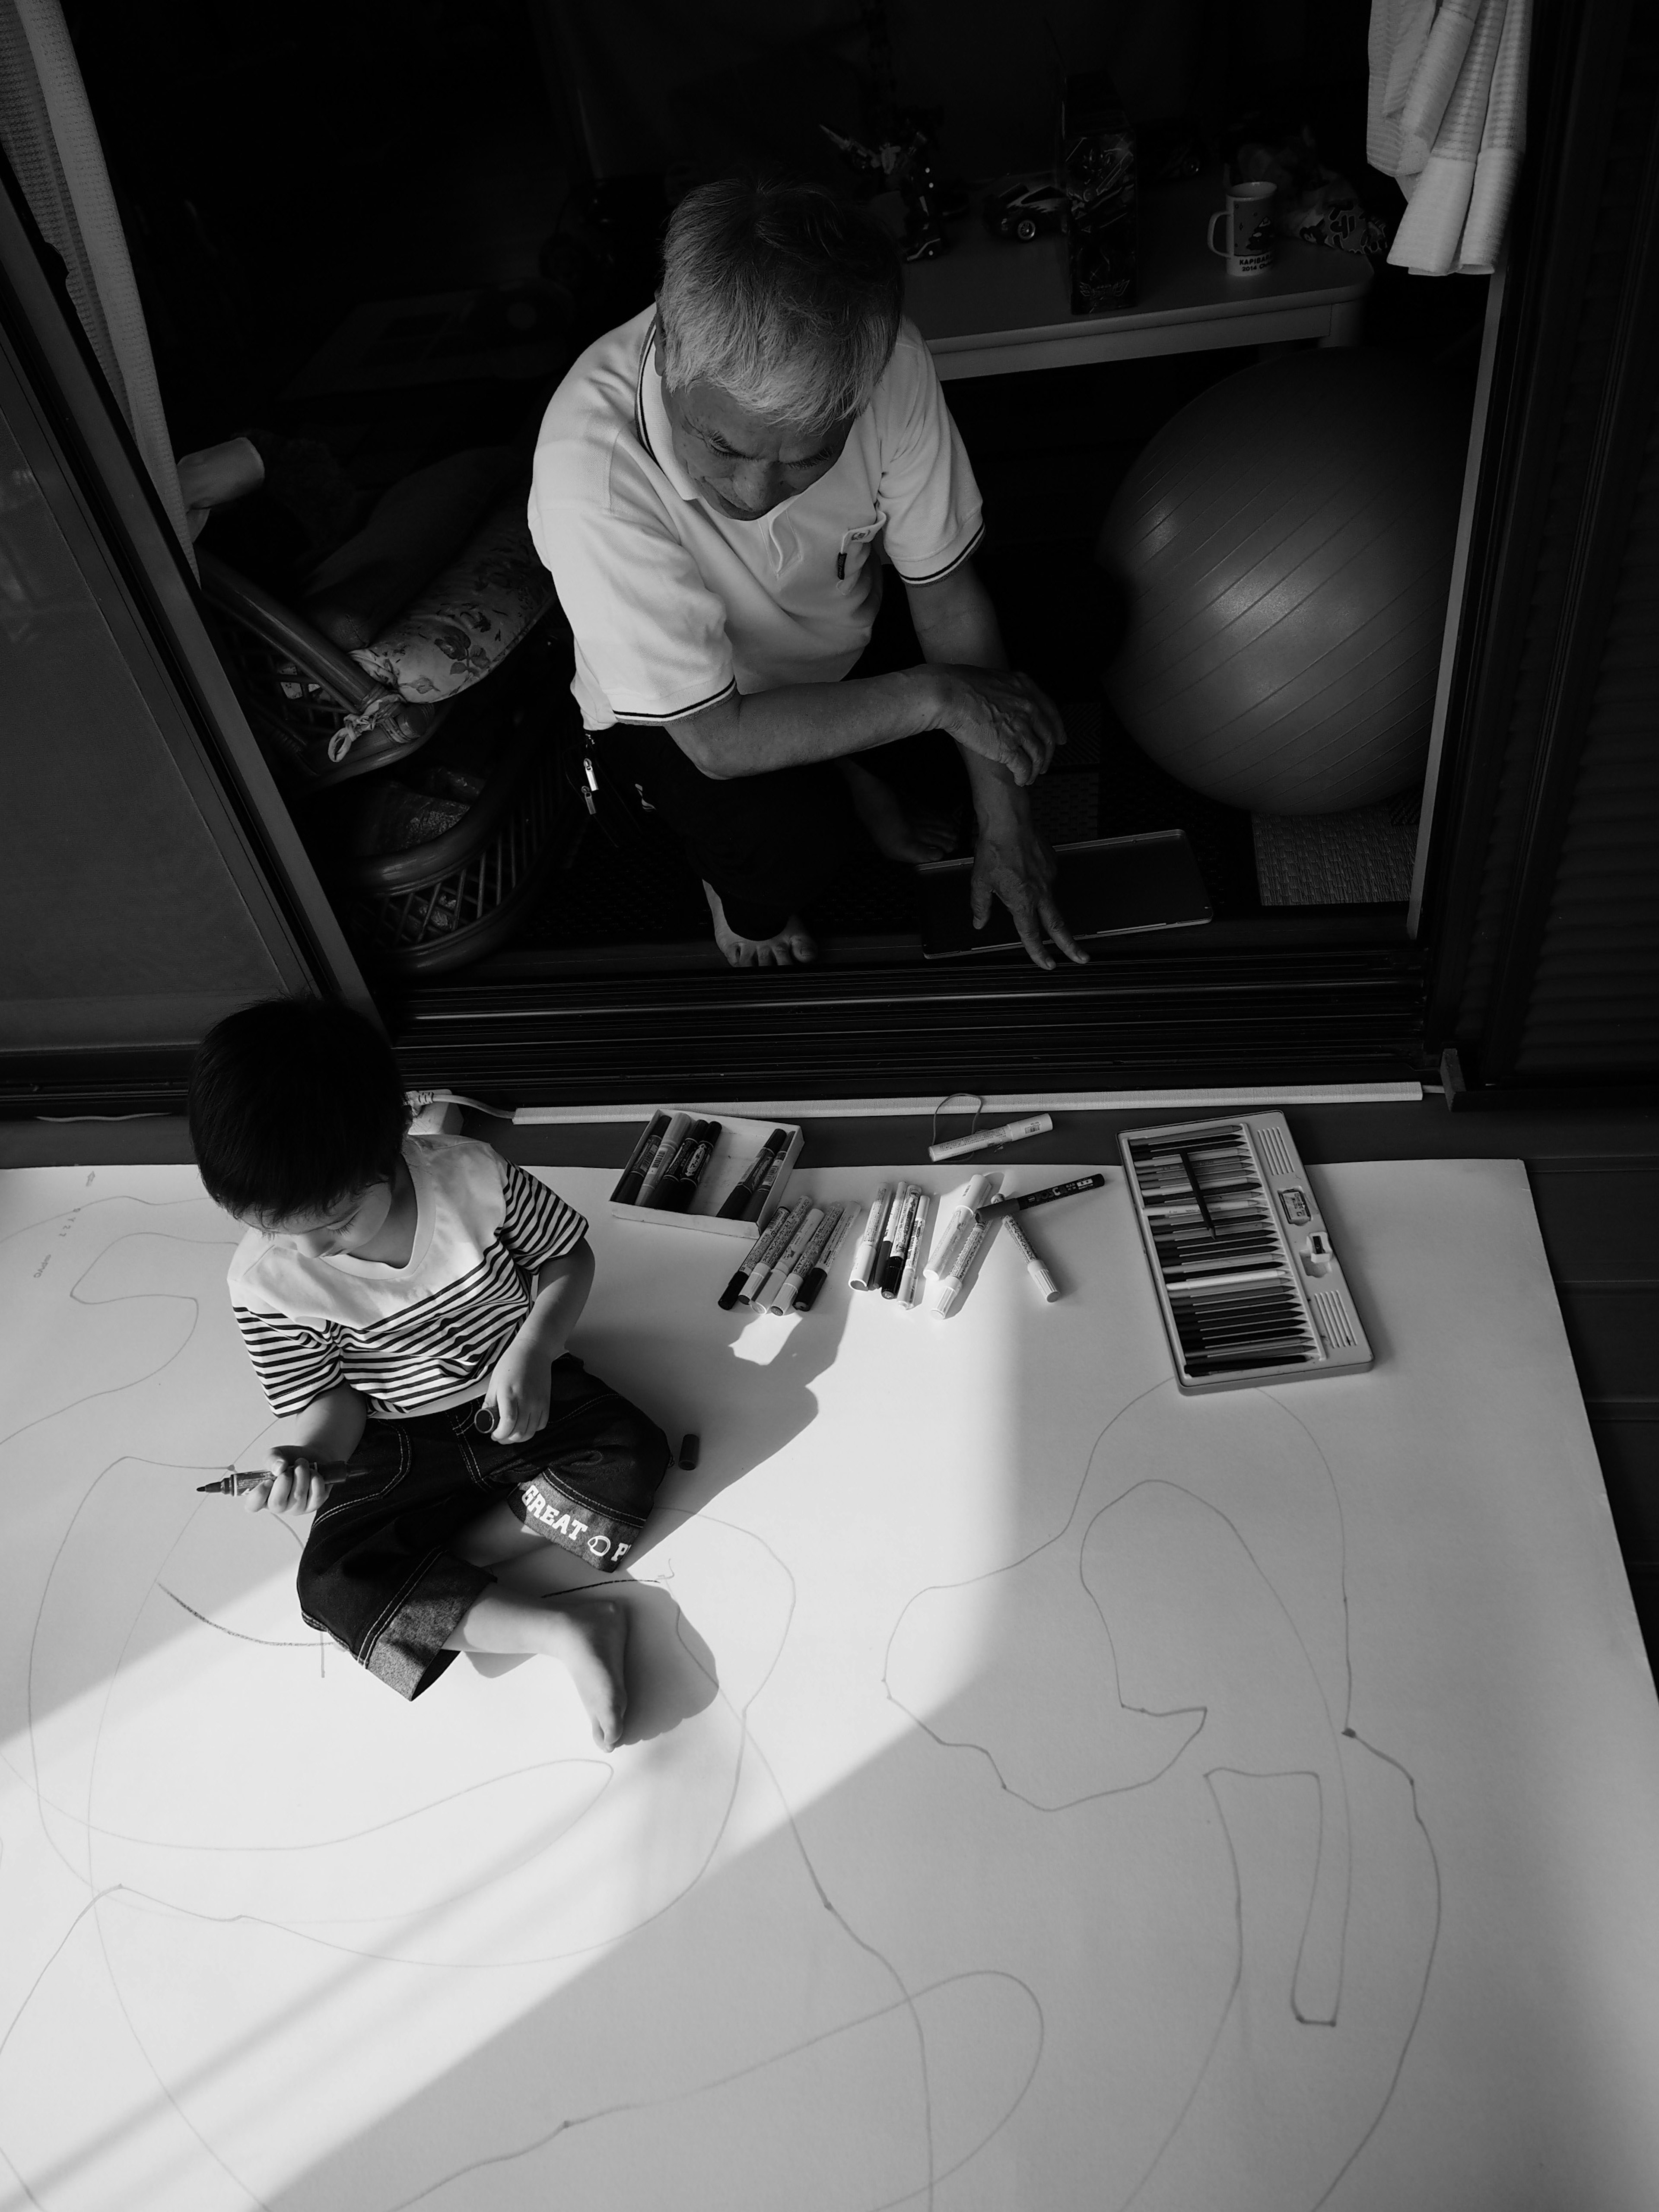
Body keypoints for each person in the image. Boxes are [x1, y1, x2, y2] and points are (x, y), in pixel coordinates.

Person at [531, 175, 1089, 973]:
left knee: (1078, 626)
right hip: (686, 715)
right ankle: (763, 848)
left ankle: (847, 754)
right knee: (784, 852)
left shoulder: (888, 361)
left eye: (809, 457)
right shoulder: (587, 463)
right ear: (671, 353)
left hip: (841, 643)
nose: (754, 497)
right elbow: (717, 742)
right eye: (722, 447)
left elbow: (946, 594)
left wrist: (1007, 825)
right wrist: (943, 697)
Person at [187, 997, 670, 1748]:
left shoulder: (471, 1179)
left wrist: (534, 1350)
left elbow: (564, 1260)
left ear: (390, 1148)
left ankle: (442, 1575)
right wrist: (313, 1455)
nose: (311, 1253)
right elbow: (327, 1400)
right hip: (395, 1436)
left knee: (632, 1456)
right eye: (273, 1230)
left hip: (522, 1388)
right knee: (330, 1583)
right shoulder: (265, 1282)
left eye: (336, 1220)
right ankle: (558, 1628)